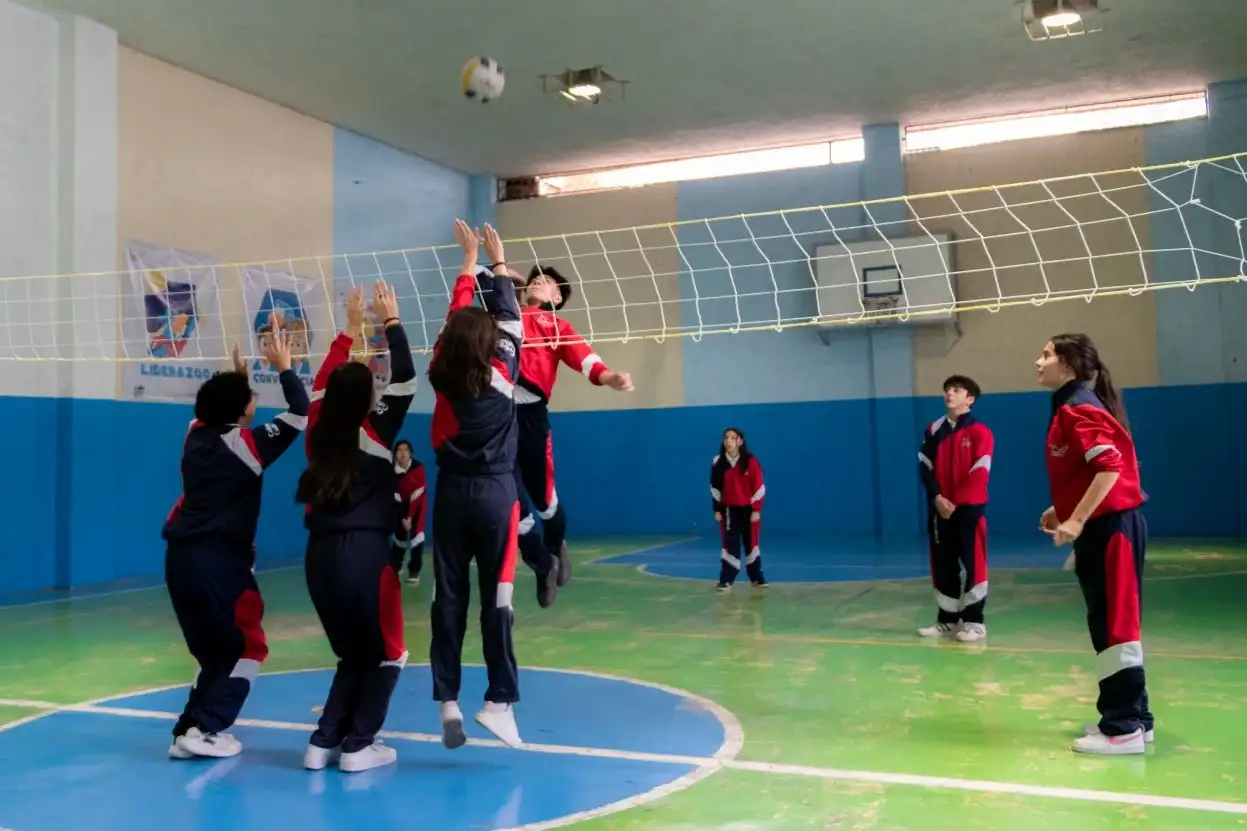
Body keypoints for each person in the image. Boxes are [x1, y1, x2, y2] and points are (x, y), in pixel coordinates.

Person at [163, 323, 308, 759]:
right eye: (251, 398)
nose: (254, 402)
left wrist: (239, 383)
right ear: (242, 410)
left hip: (179, 560)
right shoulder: (247, 446)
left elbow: (217, 415)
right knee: (247, 646)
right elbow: (300, 413)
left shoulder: (194, 435)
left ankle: (189, 730)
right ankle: (207, 728)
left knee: (214, 652)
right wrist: (284, 368)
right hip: (220, 563)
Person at [297, 280, 416, 774]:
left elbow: (323, 381)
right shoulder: (377, 429)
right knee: (389, 653)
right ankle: (359, 744)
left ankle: (324, 742)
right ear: (369, 397)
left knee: (352, 654)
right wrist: (390, 321)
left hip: (318, 556)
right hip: (364, 555)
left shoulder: (316, 426)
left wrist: (350, 330)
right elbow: (406, 378)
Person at [427, 219, 526, 751]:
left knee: (448, 596)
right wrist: (498, 261)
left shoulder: (441, 370)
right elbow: (508, 314)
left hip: (450, 494)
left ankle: (447, 698)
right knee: (498, 597)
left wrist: (468, 263)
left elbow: (455, 320)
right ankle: (498, 701)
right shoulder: (504, 369)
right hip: (494, 494)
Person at [1036, 333, 1153, 756]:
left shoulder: (1079, 407)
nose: (1038, 362)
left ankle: (1122, 730)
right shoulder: (1071, 406)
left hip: (1111, 529)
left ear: (1067, 365)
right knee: (1110, 623)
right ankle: (1137, 719)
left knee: (1115, 627)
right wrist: (1062, 508)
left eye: (1046, 355)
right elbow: (1089, 470)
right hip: (1106, 525)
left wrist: (1077, 519)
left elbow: (1110, 467)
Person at [514, 263, 634, 586]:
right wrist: (505, 276)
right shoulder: (506, 316)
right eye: (534, 279)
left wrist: (610, 377)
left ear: (557, 297)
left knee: (544, 500)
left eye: (547, 281)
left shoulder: (557, 326)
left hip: (532, 418)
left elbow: (587, 361)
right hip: (498, 417)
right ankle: (541, 565)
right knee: (509, 500)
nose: (538, 281)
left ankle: (555, 546)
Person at [917, 375, 994, 643]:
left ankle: (974, 623)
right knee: (943, 564)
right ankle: (947, 621)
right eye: (947, 389)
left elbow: (980, 471)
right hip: (940, 510)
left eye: (956, 390)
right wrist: (937, 497)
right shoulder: (933, 430)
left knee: (974, 564)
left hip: (969, 509)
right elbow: (925, 466)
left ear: (969, 399)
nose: (949, 393)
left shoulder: (980, 432)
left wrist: (955, 502)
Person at [710, 428, 767, 591]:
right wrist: (717, 509)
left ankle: (756, 577)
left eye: (732, 438)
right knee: (730, 544)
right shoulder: (718, 462)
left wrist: (756, 509)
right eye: (726, 438)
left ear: (740, 441)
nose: (728, 441)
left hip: (749, 510)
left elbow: (759, 487)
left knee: (752, 543)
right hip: (729, 510)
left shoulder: (751, 461)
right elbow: (715, 488)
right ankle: (726, 579)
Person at [391, 439, 427, 585]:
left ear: (410, 453)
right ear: (395, 454)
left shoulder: (419, 468)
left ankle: (414, 570)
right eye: (399, 450)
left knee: (416, 536)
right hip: (398, 504)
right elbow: (394, 495)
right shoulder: (390, 470)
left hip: (417, 503)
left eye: (406, 450)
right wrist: (402, 518)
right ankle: (396, 565)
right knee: (399, 535)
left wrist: (410, 517)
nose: (403, 453)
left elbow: (417, 494)